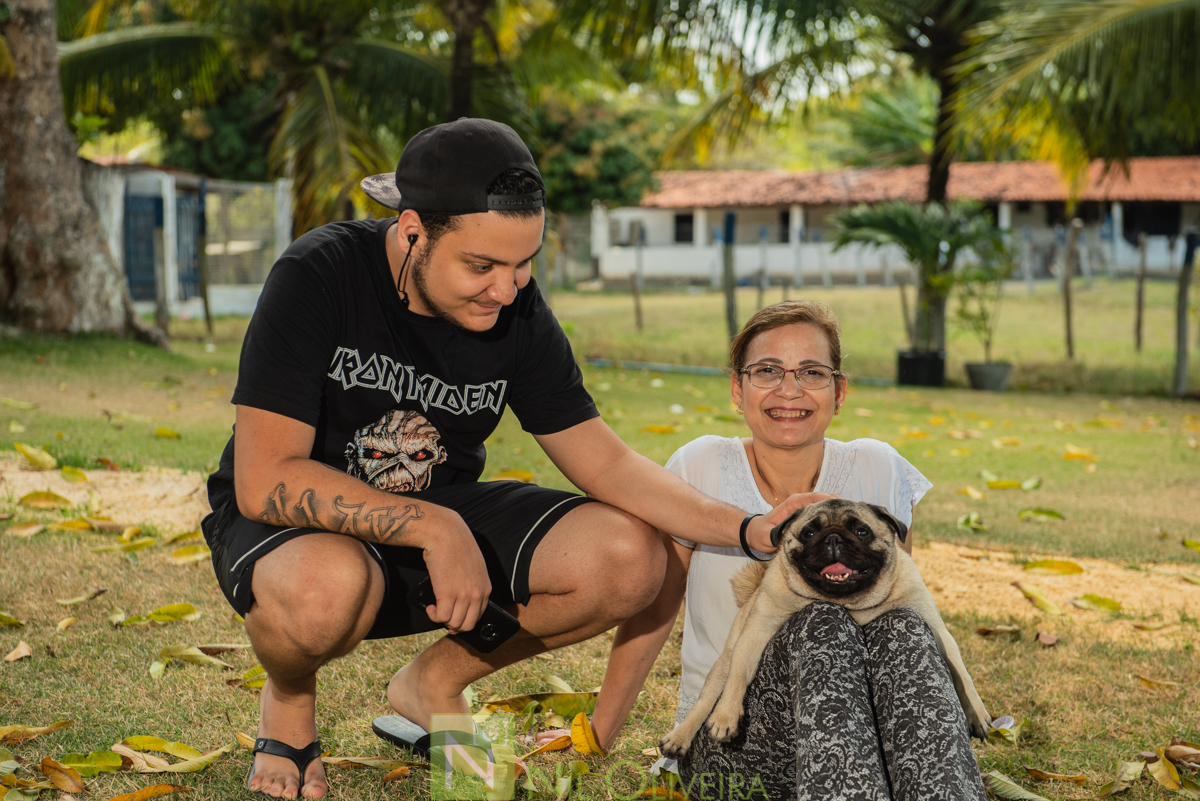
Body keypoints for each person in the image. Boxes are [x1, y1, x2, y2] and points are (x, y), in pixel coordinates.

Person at [200, 118, 811, 800]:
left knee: (631, 556)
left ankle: (433, 683)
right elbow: (265, 479)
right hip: (301, 535)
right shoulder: (319, 274)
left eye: (524, 265)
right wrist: (434, 528)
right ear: (412, 232)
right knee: (326, 589)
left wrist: (750, 528)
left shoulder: (516, 309)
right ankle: (289, 700)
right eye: (482, 266)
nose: (507, 290)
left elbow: (606, 463)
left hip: (437, 517)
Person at [594, 301, 987, 800]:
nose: (789, 389)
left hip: (867, 742)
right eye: (767, 371)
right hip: (735, 744)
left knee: (905, 626)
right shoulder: (700, 466)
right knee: (820, 621)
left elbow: (903, 612)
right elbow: (653, 612)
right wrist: (596, 736)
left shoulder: (878, 466)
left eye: (811, 372)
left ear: (838, 392)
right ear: (737, 389)